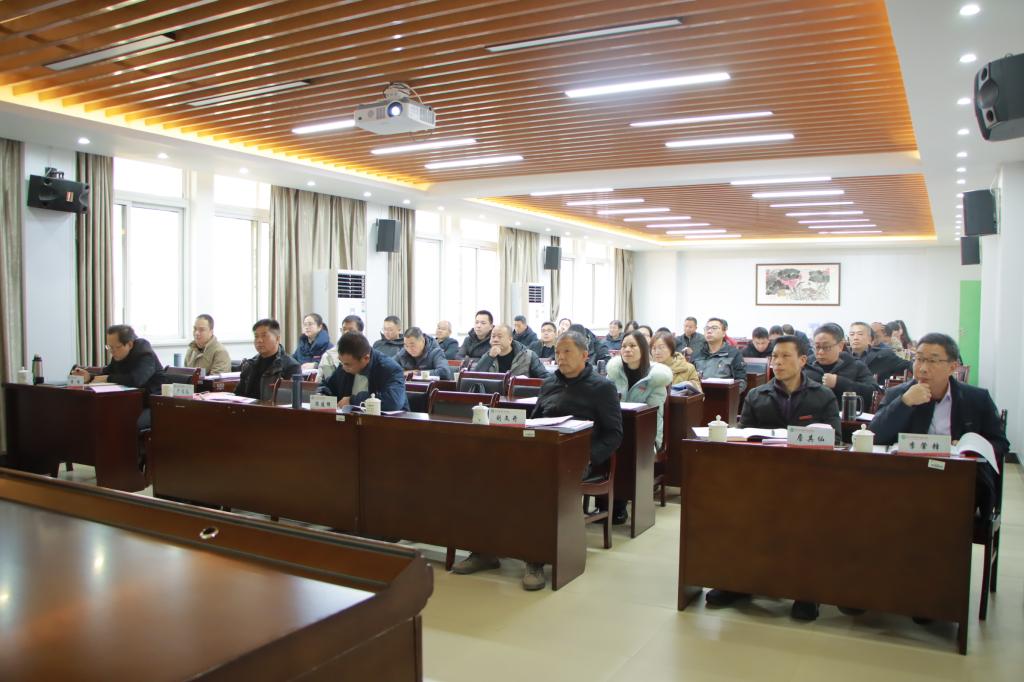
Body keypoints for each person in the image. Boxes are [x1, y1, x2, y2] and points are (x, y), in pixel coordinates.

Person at [451, 331, 622, 590]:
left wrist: (586, 457)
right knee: (487, 477)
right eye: (557, 352)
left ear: (585, 355)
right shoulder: (550, 382)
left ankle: (536, 558)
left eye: (567, 352)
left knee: (536, 486)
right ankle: (485, 550)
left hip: (576, 460)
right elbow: (535, 421)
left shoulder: (602, 388)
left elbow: (614, 434)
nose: (561, 357)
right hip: (540, 453)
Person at [708, 334, 841, 622]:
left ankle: (806, 591)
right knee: (738, 516)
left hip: (808, 482)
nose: (777, 362)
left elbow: (836, 442)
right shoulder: (758, 395)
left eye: (785, 356)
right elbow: (743, 439)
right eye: (774, 357)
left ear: (802, 360)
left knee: (807, 523)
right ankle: (738, 582)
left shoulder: (822, 396)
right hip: (763, 479)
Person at [870, 333, 1005, 517]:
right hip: (908, 478)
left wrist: (972, 448)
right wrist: (904, 403)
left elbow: (1000, 443)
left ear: (952, 367)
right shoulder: (898, 394)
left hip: (958, 480)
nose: (923, 368)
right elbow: (875, 436)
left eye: (933, 361)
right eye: (919, 359)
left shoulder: (976, 399)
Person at [604, 331, 672, 524]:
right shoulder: (613, 374)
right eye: (624, 346)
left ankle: (618, 505)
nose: (627, 350)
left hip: (645, 434)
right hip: (617, 429)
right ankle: (605, 502)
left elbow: (654, 415)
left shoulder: (655, 378)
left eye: (632, 346)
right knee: (604, 444)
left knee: (623, 449)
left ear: (643, 349)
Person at [320, 332, 409, 411]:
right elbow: (329, 387)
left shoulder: (390, 369)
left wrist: (353, 400)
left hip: (389, 422)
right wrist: (321, 393)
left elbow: (394, 402)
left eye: (347, 364)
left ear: (366, 358)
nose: (343, 367)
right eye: (341, 362)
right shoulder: (345, 365)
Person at [72, 324, 164, 395]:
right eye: (109, 347)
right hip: (128, 399)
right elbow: (106, 373)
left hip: (152, 403)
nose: (112, 351)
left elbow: (136, 380)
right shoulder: (118, 354)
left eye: (116, 347)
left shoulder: (145, 354)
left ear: (129, 344)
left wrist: (107, 378)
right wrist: (89, 377)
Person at [803, 323, 877, 407]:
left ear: (840, 346)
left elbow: (873, 393)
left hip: (846, 414)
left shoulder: (855, 366)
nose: (820, 352)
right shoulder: (805, 366)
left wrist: (839, 383)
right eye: (817, 347)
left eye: (826, 347)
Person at [235, 319, 302, 401]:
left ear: (277, 338)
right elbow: (238, 395)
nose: (259, 340)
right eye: (256, 336)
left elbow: (292, 400)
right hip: (248, 408)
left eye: (264, 336)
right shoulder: (250, 364)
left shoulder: (291, 366)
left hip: (272, 408)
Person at [848, 321, 912, 384]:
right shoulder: (843, 355)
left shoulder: (884, 355)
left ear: (870, 338)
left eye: (860, 334)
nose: (855, 338)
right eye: (852, 334)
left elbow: (908, 365)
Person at [693, 317, 747, 392]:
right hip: (699, 395)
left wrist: (730, 396)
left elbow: (741, 382)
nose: (709, 331)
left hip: (724, 396)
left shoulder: (733, 354)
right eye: (707, 328)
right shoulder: (697, 354)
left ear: (724, 333)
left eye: (714, 328)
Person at [473, 324, 547, 378]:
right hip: (494, 393)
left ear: (510, 339)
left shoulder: (528, 356)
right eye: (493, 336)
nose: (495, 340)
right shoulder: (488, 356)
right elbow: (474, 377)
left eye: (499, 337)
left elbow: (545, 377)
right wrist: (489, 357)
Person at [316, 315, 365, 383]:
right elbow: (323, 382)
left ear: (360, 333)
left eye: (351, 330)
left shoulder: (367, 354)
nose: (346, 333)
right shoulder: (328, 356)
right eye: (344, 329)